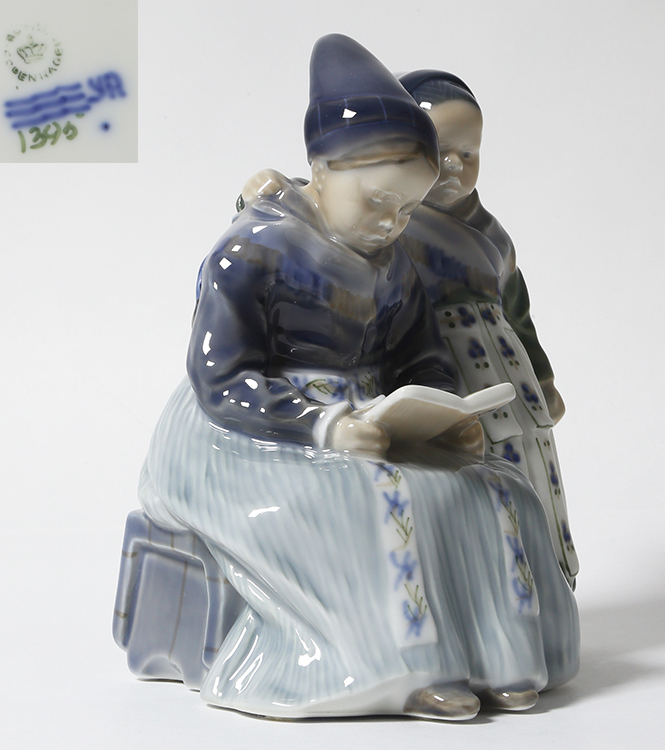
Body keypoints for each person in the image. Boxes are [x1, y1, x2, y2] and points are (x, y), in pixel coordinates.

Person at [138, 35, 579, 721]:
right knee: (380, 499)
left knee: (495, 489)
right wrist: (325, 424)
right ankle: (398, 671)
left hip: (370, 418)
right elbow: (222, 377)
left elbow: (420, 354)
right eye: (377, 201)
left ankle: (505, 656)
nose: (392, 221)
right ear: (321, 171)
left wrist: (442, 414)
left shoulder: (395, 259)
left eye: (407, 207)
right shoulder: (252, 252)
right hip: (252, 430)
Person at [398, 71, 579, 587]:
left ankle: (545, 584)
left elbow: (518, 313)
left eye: (469, 153)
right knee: (463, 482)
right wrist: (261, 191)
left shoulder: (495, 237)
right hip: (438, 373)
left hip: (509, 377)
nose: (455, 166)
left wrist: (543, 379)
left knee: (529, 470)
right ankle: (483, 594)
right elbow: (312, 211)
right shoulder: (386, 224)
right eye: (440, 151)